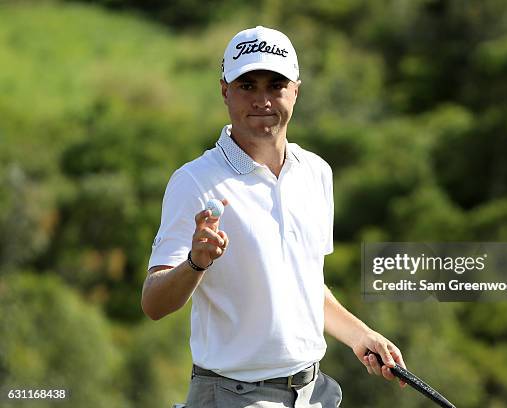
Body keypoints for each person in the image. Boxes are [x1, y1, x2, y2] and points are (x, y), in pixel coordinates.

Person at [141, 25, 407, 408]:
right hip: (231, 395)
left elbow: (305, 287)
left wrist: (360, 335)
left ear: (296, 90)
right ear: (224, 91)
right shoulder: (194, 182)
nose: (262, 100)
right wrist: (195, 263)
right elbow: (154, 303)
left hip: (313, 394)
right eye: (247, 86)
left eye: (275, 86)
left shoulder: (316, 172)